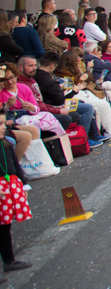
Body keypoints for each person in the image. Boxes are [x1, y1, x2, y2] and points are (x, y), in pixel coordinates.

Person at [0, 107, 34, 279]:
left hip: (9, 186)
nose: (2, 127)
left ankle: (9, 260)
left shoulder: (5, 143)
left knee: (5, 225)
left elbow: (16, 166)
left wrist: (24, 184)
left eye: (2, 123)